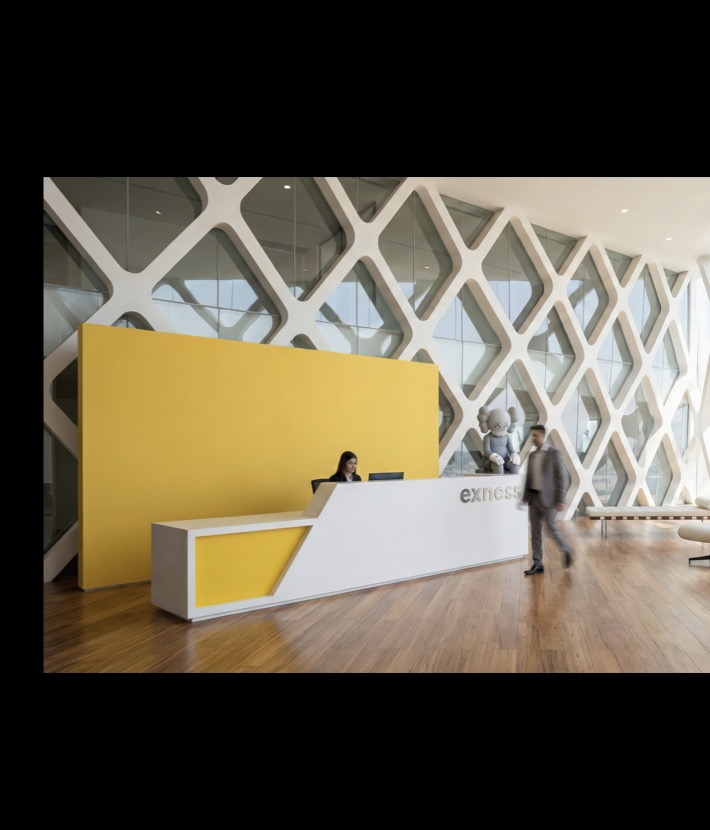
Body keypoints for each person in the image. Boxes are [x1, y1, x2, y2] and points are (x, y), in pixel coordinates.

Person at [520, 425, 573, 575]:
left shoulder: (554, 454)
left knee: (551, 529)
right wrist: (525, 498)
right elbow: (529, 479)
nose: (533, 439)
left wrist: (560, 499)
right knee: (535, 533)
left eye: (536, 435)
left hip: (549, 500)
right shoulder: (532, 456)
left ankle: (566, 549)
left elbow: (562, 477)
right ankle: (538, 564)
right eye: (532, 436)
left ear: (543, 436)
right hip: (533, 498)